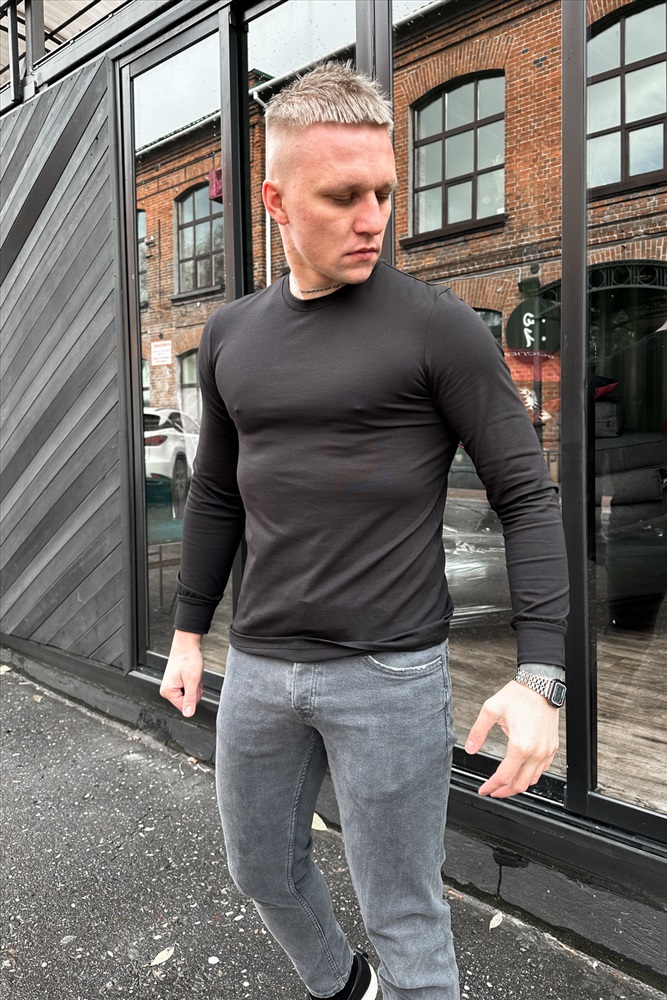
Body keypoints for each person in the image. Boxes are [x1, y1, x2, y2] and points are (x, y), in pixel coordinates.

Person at [160, 62, 569, 1000]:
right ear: (275, 200)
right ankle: (346, 991)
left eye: (383, 192)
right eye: (342, 196)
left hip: (389, 676)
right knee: (263, 872)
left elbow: (525, 494)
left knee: (406, 921)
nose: (372, 217)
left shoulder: (438, 329)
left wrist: (540, 675)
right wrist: (187, 633)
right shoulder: (229, 335)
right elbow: (218, 491)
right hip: (258, 667)